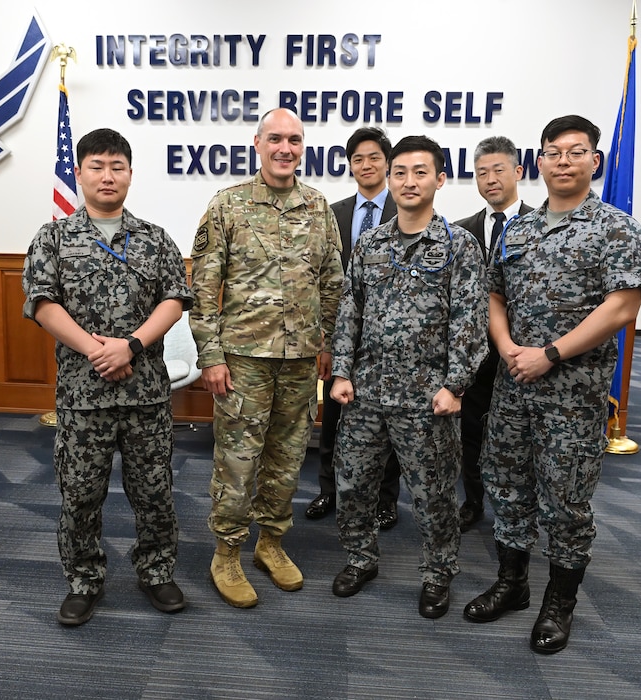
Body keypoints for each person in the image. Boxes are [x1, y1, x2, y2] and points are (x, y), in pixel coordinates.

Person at [463, 115, 641, 654]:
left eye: (575, 152)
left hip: (573, 396)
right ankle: (513, 584)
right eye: (553, 152)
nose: (563, 161)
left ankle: (558, 604)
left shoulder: (615, 227)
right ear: (539, 161)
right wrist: (506, 349)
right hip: (513, 388)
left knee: (566, 502)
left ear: (595, 161)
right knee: (508, 489)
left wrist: (549, 354)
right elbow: (494, 295)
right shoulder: (517, 229)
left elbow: (623, 304)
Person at [22, 128, 191, 625]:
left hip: (145, 396)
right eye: (96, 166)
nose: (107, 175)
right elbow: (42, 304)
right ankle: (83, 579)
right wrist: (98, 350)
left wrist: (131, 345)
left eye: (117, 166)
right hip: (82, 395)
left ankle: (156, 572)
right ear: (79, 173)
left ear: (131, 174)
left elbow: (175, 300)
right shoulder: (53, 237)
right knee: (79, 494)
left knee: (155, 491)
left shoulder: (155, 238)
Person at [190, 108, 344, 608]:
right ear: (257, 144)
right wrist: (211, 355)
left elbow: (332, 285)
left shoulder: (318, 207)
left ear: (304, 147)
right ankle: (227, 552)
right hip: (243, 361)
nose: (285, 148)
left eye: (295, 140)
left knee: (287, 458)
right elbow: (203, 288)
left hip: (300, 360)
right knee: (237, 460)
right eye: (275, 138)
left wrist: (327, 346)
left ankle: (271, 544)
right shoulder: (228, 206)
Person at [330, 135, 488, 619]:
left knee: (433, 493)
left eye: (420, 172)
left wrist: (455, 384)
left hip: (428, 398)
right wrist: (340, 370)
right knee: (353, 485)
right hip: (366, 392)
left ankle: (438, 573)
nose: (408, 181)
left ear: (439, 179)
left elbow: (470, 319)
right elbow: (349, 308)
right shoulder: (371, 243)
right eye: (400, 172)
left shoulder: (458, 246)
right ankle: (361, 558)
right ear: (388, 178)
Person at [306, 126, 402, 531]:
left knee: (390, 421)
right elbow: (323, 278)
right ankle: (328, 487)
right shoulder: (334, 212)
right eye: (358, 159)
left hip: (391, 337)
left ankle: (385, 499)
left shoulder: (409, 208)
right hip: (341, 334)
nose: (366, 165)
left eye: (374, 157)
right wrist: (326, 340)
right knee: (334, 416)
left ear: (388, 163)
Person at [454, 136, 533, 532]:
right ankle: (472, 500)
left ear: (518, 172)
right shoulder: (460, 231)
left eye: (498, 170)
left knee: (519, 434)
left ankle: (518, 506)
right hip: (474, 352)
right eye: (482, 172)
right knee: (470, 429)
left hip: (526, 354)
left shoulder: (542, 226)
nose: (490, 179)